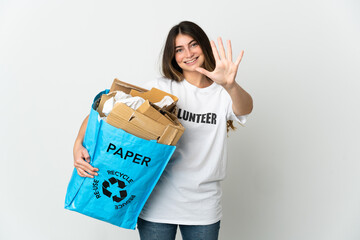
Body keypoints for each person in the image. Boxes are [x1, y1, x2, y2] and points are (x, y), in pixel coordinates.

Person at [73, 21, 253, 240]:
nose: (188, 53)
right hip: (157, 203)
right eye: (179, 49)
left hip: (203, 207)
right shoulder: (162, 89)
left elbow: (246, 108)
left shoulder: (222, 93)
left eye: (193, 44)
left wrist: (230, 85)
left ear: (204, 46)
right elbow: (105, 109)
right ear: (173, 55)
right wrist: (78, 144)